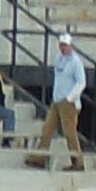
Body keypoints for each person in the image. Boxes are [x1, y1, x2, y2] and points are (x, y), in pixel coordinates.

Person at [30, 33, 85, 170]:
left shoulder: (76, 62)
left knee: (69, 132)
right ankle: (40, 157)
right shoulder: (59, 59)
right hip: (57, 101)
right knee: (47, 129)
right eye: (61, 45)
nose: (63, 48)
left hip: (68, 103)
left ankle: (78, 162)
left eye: (65, 45)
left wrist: (70, 98)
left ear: (71, 46)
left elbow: (81, 82)